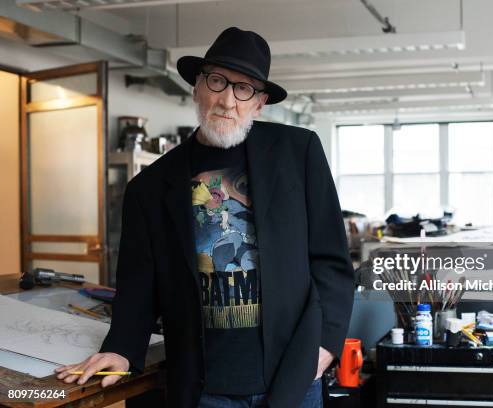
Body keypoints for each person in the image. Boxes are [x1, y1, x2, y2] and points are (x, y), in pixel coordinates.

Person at [54, 27, 355, 408]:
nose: (228, 100)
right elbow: (137, 285)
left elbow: (331, 262)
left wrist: (326, 345)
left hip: (293, 376)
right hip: (203, 389)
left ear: (259, 102)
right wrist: (122, 349)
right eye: (217, 81)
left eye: (244, 88)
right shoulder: (149, 187)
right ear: (197, 86)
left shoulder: (299, 153)